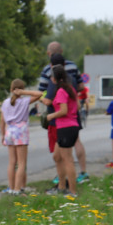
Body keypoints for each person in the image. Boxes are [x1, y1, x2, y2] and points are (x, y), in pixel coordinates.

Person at [38, 43, 89, 185]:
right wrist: (72, 96)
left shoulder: (48, 71)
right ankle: (84, 172)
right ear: (62, 52)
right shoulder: (72, 67)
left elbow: (42, 91)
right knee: (77, 141)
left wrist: (43, 99)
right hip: (73, 111)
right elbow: (81, 86)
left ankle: (63, 179)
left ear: (49, 54)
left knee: (61, 151)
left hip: (57, 114)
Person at [0, 79, 41, 194]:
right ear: (21, 90)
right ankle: (18, 189)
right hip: (21, 131)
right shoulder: (24, 101)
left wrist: (3, 135)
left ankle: (11, 188)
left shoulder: (5, 102)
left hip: (9, 131)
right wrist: (24, 92)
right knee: (22, 163)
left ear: (10, 90)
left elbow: (2, 121)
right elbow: (39, 94)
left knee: (12, 162)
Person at [44, 65, 81, 196]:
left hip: (65, 127)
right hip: (70, 126)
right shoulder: (70, 89)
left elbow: (63, 111)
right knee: (57, 156)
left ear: (54, 79)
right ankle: (61, 187)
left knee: (67, 159)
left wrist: (51, 116)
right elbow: (78, 105)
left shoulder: (60, 91)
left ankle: (72, 192)